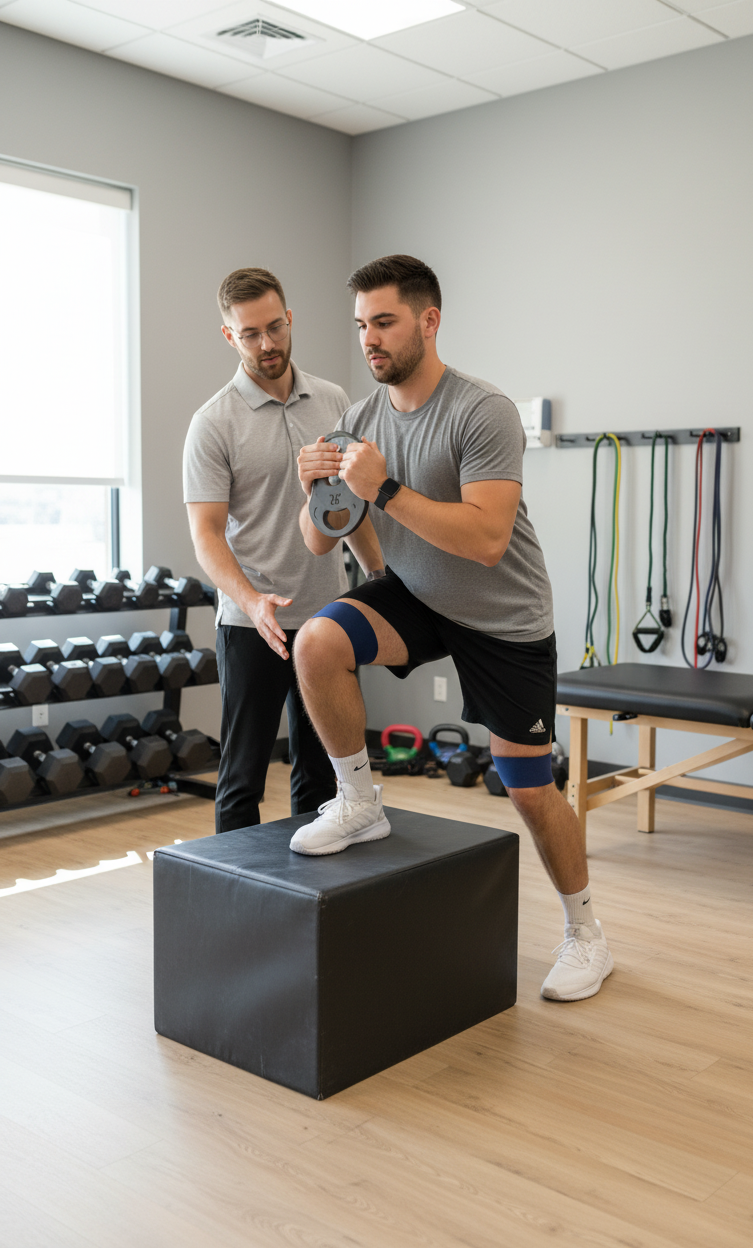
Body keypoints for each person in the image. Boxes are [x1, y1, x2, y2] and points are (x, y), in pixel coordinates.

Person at [292, 254, 613, 1002]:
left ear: (428, 321)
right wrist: (313, 489)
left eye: (385, 322)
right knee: (318, 642)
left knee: (527, 787)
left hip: (504, 617)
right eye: (362, 325)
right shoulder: (360, 422)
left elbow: (485, 539)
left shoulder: (482, 411)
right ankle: (359, 800)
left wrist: (386, 489)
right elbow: (319, 539)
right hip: (418, 594)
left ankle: (586, 934)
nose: (370, 339)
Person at [183, 266, 383, 832]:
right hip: (254, 626)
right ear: (230, 336)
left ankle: (311, 905)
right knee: (242, 777)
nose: (267, 344)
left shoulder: (333, 399)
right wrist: (250, 602)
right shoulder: (213, 423)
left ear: (290, 318)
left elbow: (348, 506)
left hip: (327, 621)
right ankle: (238, 908)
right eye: (251, 334)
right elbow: (206, 538)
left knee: (323, 775)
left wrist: (379, 574)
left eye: (275, 327)